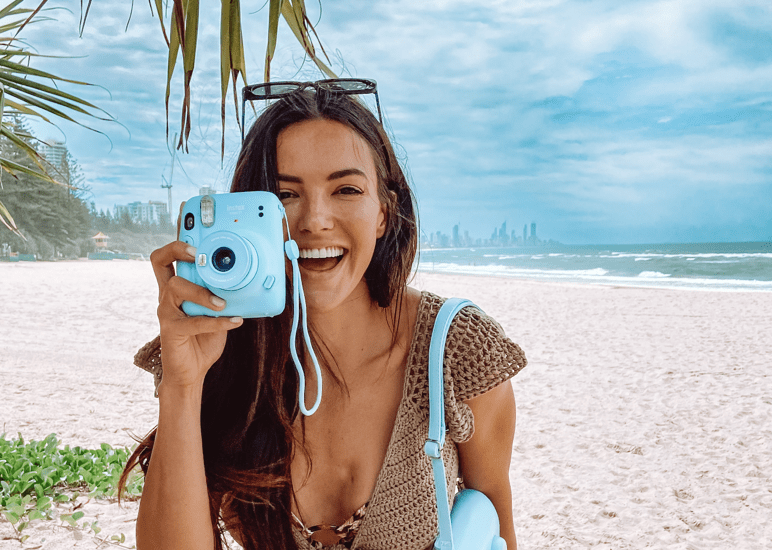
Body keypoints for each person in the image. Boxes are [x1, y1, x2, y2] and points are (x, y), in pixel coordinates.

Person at [119, 80, 527, 550]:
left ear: (383, 212)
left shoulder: (457, 349)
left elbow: (496, 524)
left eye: (346, 189)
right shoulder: (220, 349)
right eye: (285, 196)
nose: (314, 220)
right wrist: (184, 385)